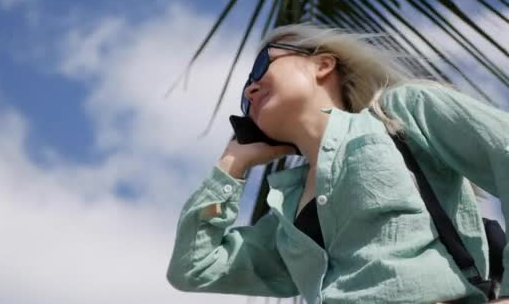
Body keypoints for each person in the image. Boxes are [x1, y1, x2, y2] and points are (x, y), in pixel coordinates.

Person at [166, 23, 509, 303]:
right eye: (244, 96)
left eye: (261, 68)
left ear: (322, 64)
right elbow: (194, 267)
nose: (251, 90)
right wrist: (230, 165)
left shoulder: (401, 113)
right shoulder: (287, 211)